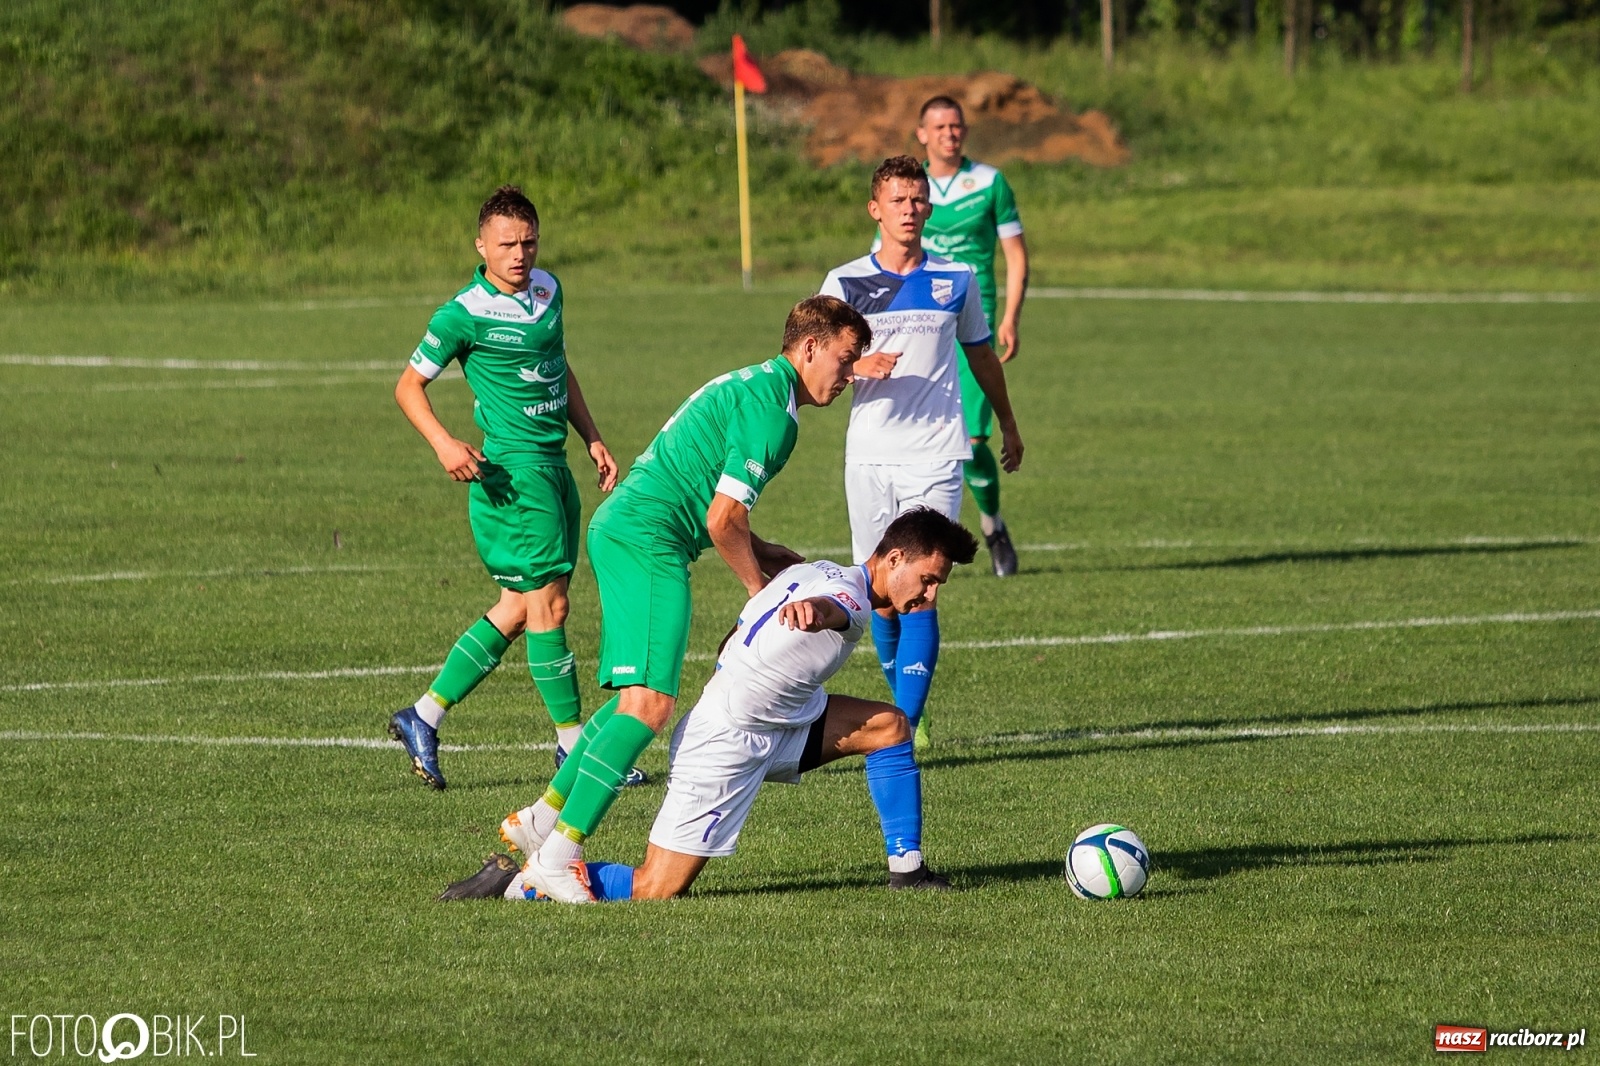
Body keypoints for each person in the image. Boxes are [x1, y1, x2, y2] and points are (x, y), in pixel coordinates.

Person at [514, 296, 871, 903]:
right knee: (651, 707)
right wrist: (758, 590)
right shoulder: (775, 416)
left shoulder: (757, 386)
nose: (849, 374)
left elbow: (717, 505)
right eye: (845, 358)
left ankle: (541, 820)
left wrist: (761, 548)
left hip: (630, 527)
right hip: (646, 538)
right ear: (809, 347)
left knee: (635, 701)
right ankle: (560, 854)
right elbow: (721, 519)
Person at [442, 508, 979, 902]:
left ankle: (908, 871)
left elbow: (739, 630)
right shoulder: (849, 598)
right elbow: (832, 610)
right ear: (894, 557)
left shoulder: (814, 569)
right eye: (928, 579)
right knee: (657, 888)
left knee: (888, 725)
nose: (929, 595)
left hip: (788, 721)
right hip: (725, 742)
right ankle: (519, 883)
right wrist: (813, 614)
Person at [388, 185, 619, 791]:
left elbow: (557, 365)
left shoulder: (548, 289)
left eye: (529, 241)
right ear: (481, 246)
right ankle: (574, 749)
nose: (519, 253)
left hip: (553, 466)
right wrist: (443, 443)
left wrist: (590, 435)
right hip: (511, 476)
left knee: (519, 609)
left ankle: (424, 714)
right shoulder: (461, 313)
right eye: (507, 244)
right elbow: (408, 388)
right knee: (551, 608)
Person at [820, 155, 1024, 754]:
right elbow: (811, 362)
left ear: (928, 208)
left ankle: (904, 723)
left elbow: (982, 355)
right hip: (870, 456)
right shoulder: (845, 282)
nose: (909, 210)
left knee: (926, 584)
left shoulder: (956, 278)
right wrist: (858, 365)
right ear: (875, 209)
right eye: (898, 200)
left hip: (936, 453)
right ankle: (898, 711)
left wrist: (1008, 423)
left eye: (918, 200)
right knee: (880, 593)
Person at [914, 96, 1030, 578]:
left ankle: (991, 525)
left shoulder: (988, 182)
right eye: (939, 126)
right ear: (922, 133)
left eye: (956, 126)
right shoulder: (907, 187)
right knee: (926, 438)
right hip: (921, 325)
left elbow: (1016, 256)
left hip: (972, 325)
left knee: (973, 437)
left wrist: (1010, 316)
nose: (949, 133)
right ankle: (921, 541)